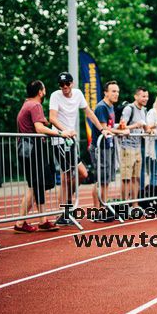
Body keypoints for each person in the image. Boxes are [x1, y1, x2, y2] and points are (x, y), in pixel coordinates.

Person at [15, 80, 74, 233]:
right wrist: (62, 133)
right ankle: (20, 223)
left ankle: (42, 220)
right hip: (33, 149)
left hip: (26, 149)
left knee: (38, 184)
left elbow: (34, 124)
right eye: (44, 89)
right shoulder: (35, 105)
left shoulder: (26, 104)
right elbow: (39, 128)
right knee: (35, 185)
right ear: (40, 92)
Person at [49, 72, 106, 225]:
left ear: (72, 83)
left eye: (67, 84)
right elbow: (52, 118)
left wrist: (102, 129)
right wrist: (63, 131)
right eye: (62, 85)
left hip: (71, 140)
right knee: (66, 176)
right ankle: (65, 212)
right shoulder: (55, 96)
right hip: (59, 140)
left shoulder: (78, 94)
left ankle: (67, 203)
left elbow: (89, 113)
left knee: (82, 174)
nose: (64, 87)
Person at [89, 81, 129, 209]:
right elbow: (105, 128)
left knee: (106, 180)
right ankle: (97, 210)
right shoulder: (102, 107)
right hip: (100, 148)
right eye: (113, 91)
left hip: (108, 146)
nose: (116, 94)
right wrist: (121, 131)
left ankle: (103, 206)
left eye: (117, 91)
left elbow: (110, 126)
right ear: (105, 92)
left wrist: (120, 127)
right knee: (100, 181)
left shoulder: (111, 106)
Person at [119, 87, 149, 211]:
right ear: (136, 96)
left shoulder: (144, 110)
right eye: (143, 96)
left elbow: (146, 128)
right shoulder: (129, 109)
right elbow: (122, 126)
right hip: (127, 146)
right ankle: (125, 204)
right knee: (126, 177)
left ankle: (135, 204)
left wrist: (149, 131)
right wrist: (136, 125)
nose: (145, 99)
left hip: (138, 147)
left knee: (136, 177)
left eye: (147, 96)